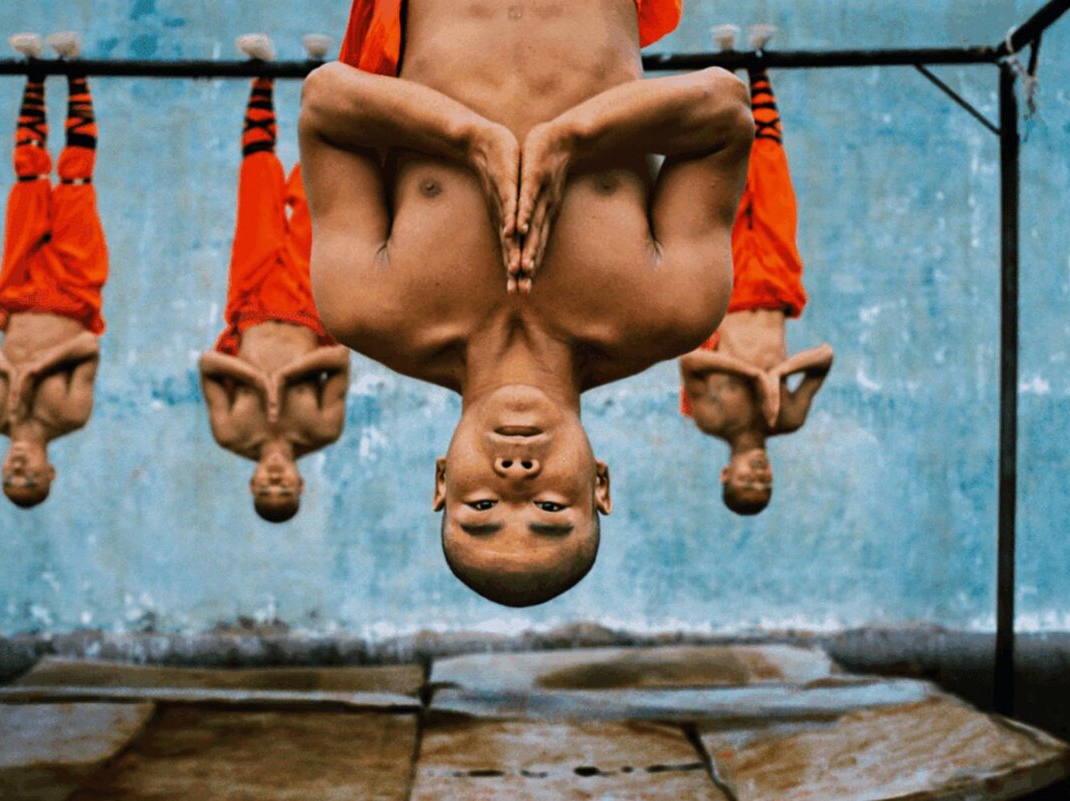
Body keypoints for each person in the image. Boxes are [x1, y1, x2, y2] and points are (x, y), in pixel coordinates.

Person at [299, 0, 752, 605]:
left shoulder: (367, 308)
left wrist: (470, 139)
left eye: (481, 507)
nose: (515, 478)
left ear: (441, 480)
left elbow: (326, 102)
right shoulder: (672, 309)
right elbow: (723, 109)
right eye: (550, 507)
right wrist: (572, 139)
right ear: (600, 486)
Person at [678, 25, 833, 516]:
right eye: (765, 485)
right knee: (769, 173)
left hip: (724, 286)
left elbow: (691, 364)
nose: (759, 476)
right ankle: (758, 64)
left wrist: (750, 372)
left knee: (724, 181)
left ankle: (723, 66)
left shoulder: (711, 420)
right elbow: (825, 357)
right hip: (775, 284)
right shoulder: (785, 417)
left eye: (747, 482)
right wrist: (780, 373)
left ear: (727, 473)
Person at [199, 35, 351, 524]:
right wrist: (285, 379)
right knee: (314, 192)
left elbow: (206, 365)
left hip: (253, 301)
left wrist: (256, 381)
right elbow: (341, 360)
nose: (275, 479)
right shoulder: (323, 430)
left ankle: (260, 77)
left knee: (258, 188)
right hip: (310, 304)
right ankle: (316, 73)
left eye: (267, 487)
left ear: (253, 482)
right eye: (285, 488)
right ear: (300, 483)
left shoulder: (230, 433)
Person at [0, 32, 107, 508]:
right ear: (51, 471)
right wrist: (37, 372)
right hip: (73, 290)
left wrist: (8, 369)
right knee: (74, 180)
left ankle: (34, 74)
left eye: (10, 479)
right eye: (31, 480)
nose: (19, 471)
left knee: (28, 177)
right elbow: (87, 346)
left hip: (19, 289)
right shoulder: (70, 417)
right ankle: (76, 68)